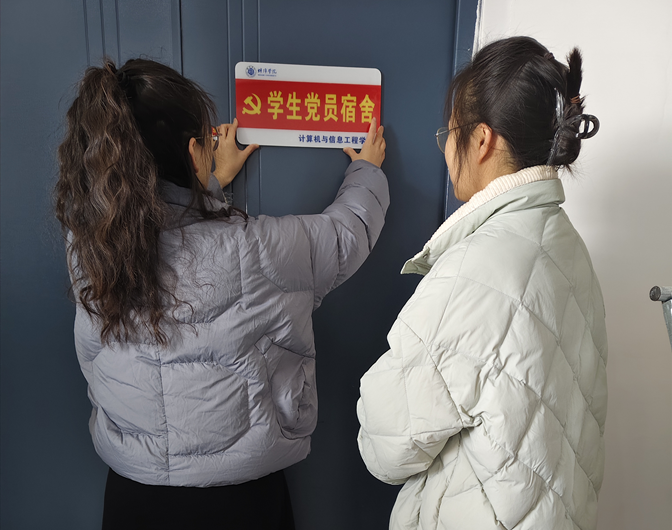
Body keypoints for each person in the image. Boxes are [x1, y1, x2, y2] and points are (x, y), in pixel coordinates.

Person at [55, 58, 388, 529]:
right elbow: (344, 236)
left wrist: (207, 186)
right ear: (194, 153)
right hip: (239, 504)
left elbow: (156, 223)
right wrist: (367, 171)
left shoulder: (90, 247)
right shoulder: (255, 247)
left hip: (133, 499)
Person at [356, 36, 607, 530]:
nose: (447, 149)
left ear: (482, 141)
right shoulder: (568, 246)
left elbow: (383, 444)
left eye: (450, 133)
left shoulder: (476, 270)